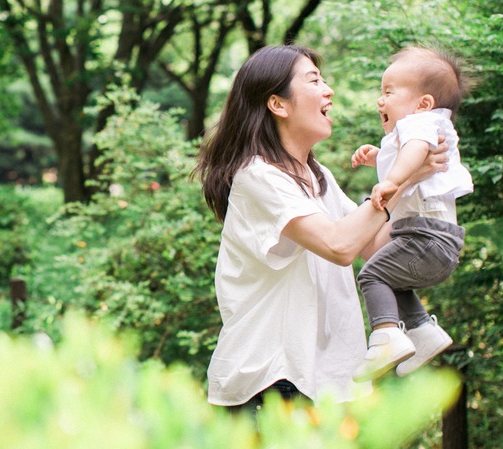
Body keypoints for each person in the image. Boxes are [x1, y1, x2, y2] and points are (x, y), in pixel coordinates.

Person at [195, 45, 447, 413]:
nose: (328, 90)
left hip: (326, 383)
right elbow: (339, 245)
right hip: (270, 382)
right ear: (278, 105)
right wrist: (403, 180)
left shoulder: (318, 177)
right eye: (315, 80)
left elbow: (374, 246)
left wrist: (431, 219)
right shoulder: (258, 177)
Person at [349, 45, 473, 381]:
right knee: (391, 277)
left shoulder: (421, 123)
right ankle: (422, 331)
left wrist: (391, 180)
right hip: (435, 243)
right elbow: (410, 153)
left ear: (424, 103)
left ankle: (385, 337)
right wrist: (380, 157)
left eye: (389, 92)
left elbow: (416, 150)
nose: (380, 101)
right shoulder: (418, 129)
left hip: (425, 237)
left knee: (372, 276)